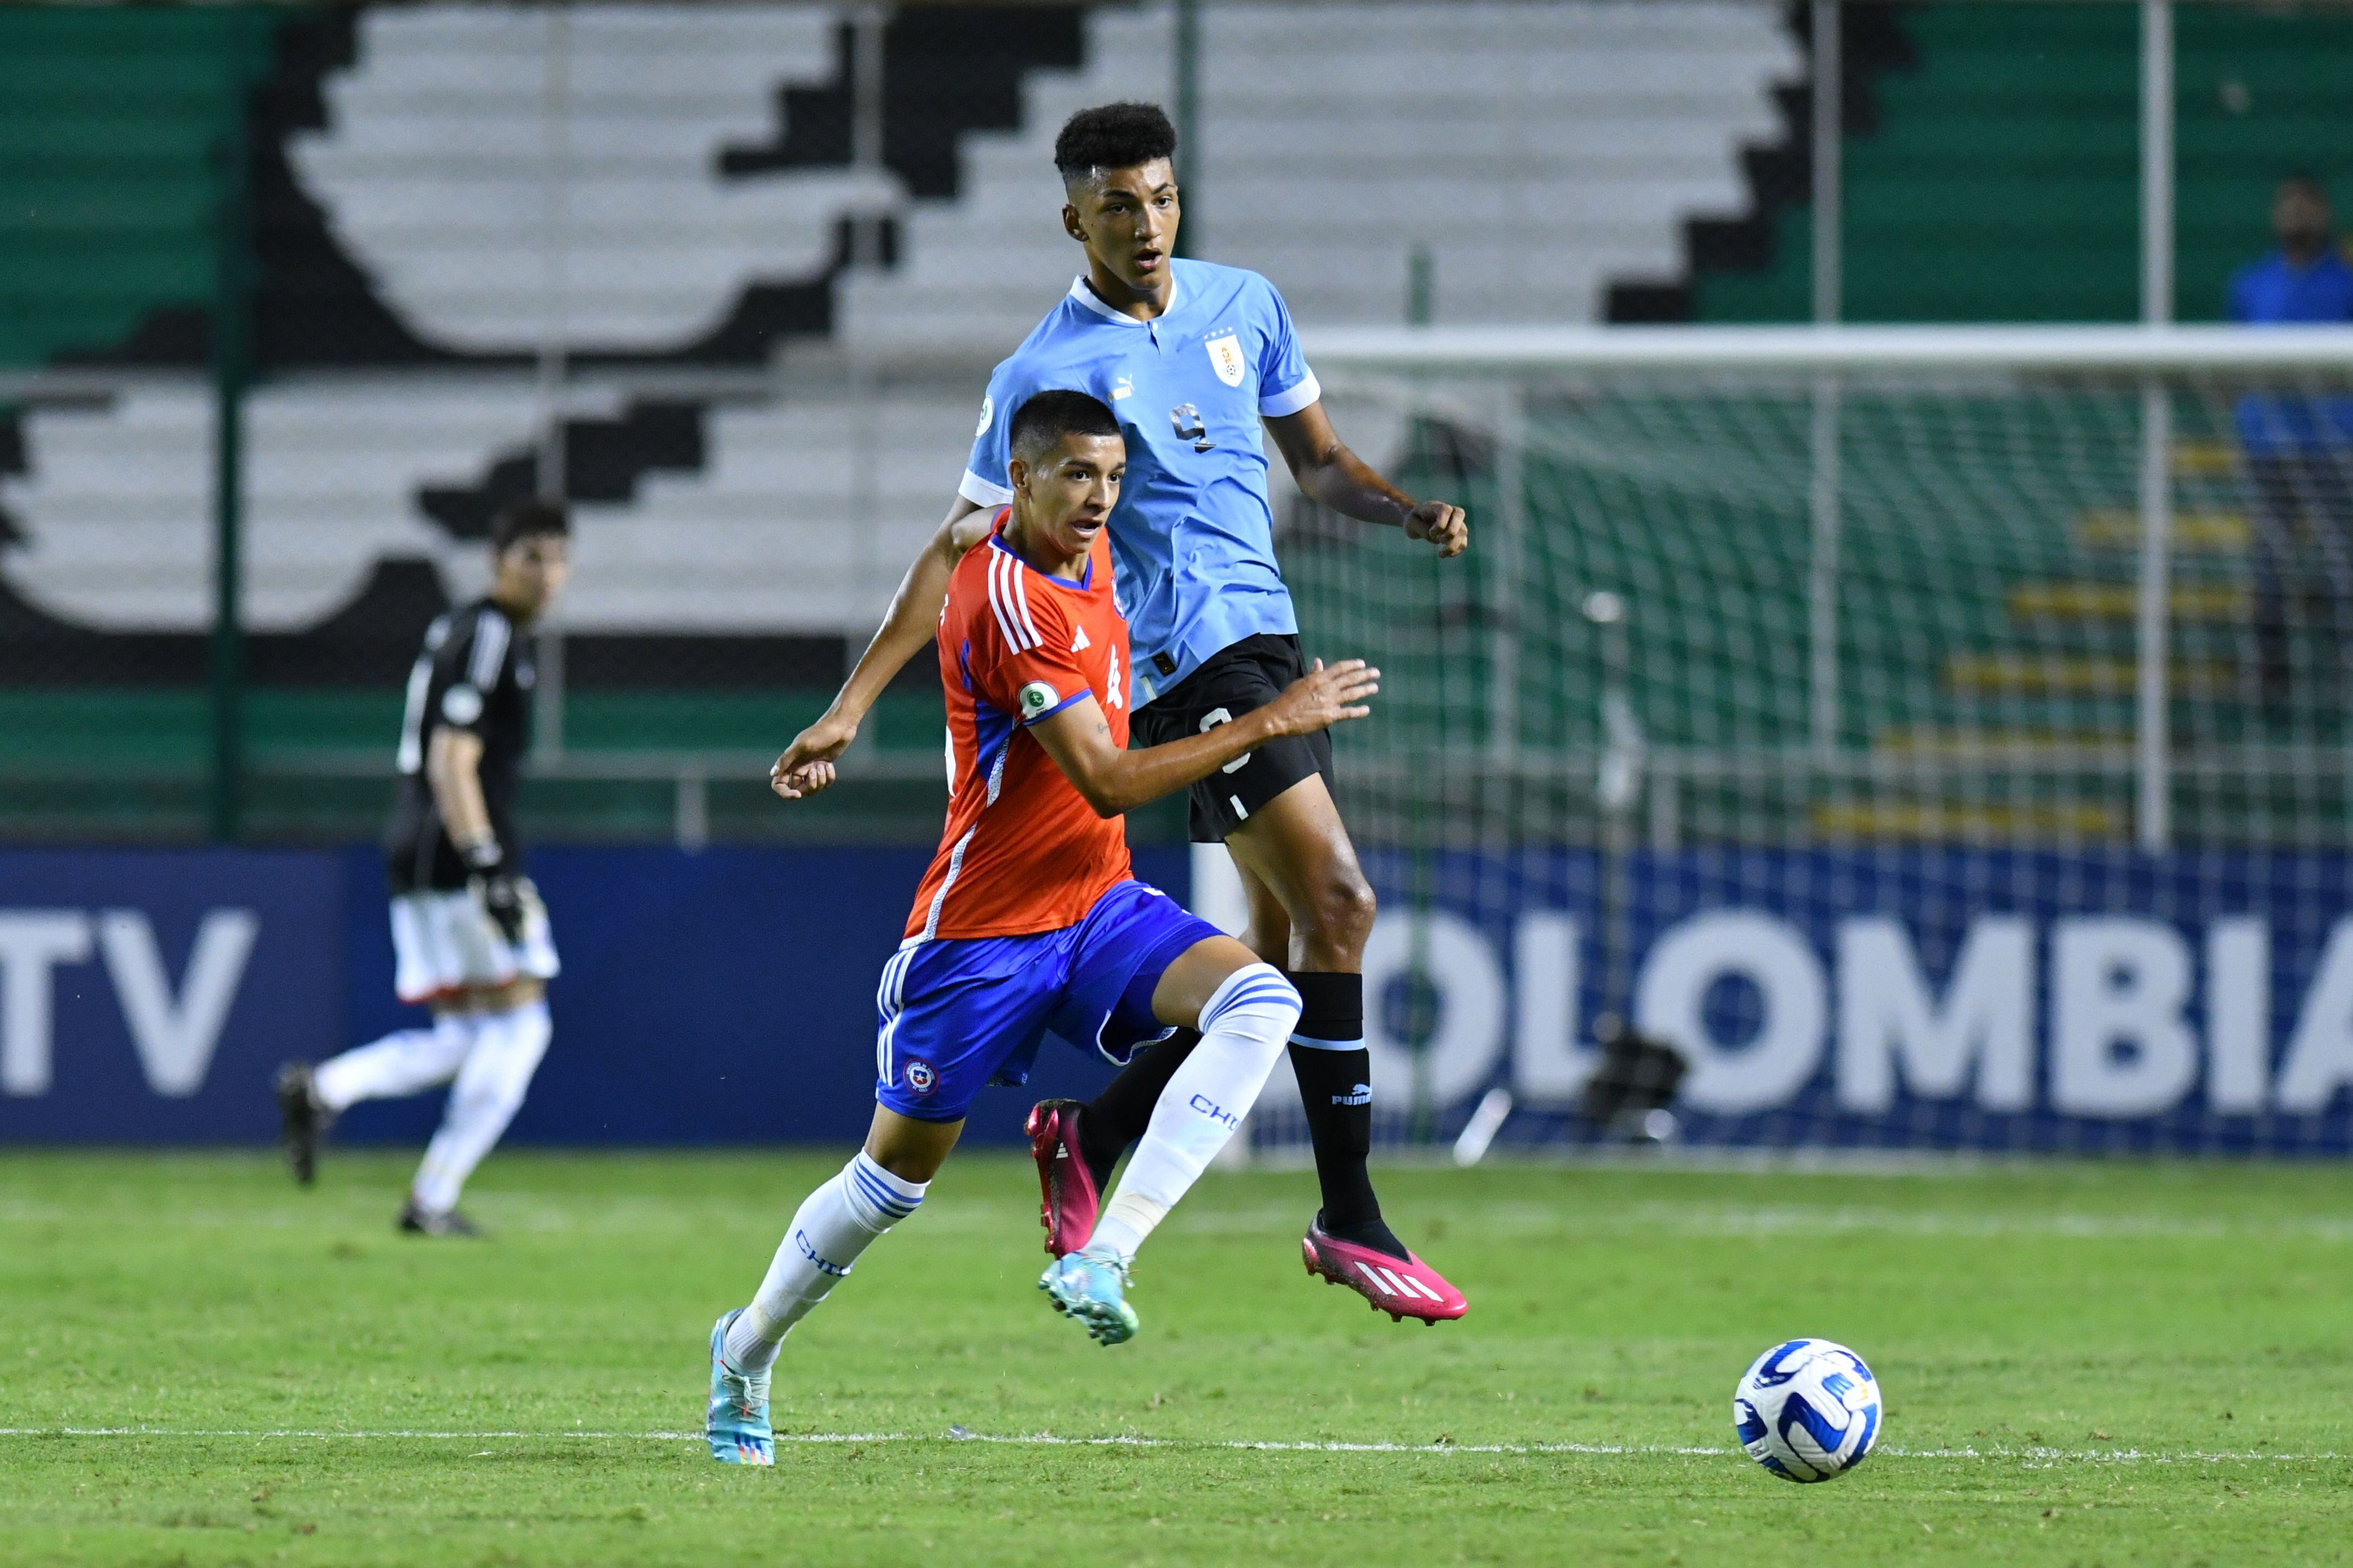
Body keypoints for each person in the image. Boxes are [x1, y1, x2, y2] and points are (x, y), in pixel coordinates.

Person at [769, 101, 1471, 1322]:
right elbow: (954, 546)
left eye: (1156, 198)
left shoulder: (1240, 304)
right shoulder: (1037, 375)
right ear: (1072, 220)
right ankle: (1348, 1218)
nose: (1142, 226)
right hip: (1177, 671)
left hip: (1265, 637)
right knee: (1341, 904)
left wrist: (1404, 509)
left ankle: (1088, 1130)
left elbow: (1315, 462)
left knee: (1262, 964)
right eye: (1114, 207)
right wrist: (849, 706)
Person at [707, 392, 1380, 1464]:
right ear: (1019, 478)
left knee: (1261, 997)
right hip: (981, 937)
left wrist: (848, 705)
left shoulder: (1070, 547)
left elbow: (938, 545)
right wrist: (1274, 720)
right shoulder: (1016, 604)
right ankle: (745, 1350)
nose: (1098, 498)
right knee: (889, 1188)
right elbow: (1106, 779)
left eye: (1109, 479)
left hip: (1094, 904)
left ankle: (1103, 1257)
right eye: (1075, 476)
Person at [273, 499, 570, 1237]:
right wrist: (486, 862)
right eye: (532, 555)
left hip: (418, 844)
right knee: (522, 1023)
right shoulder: (492, 635)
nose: (549, 573)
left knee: (470, 1033)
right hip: (457, 848)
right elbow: (451, 756)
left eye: (559, 556)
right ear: (497, 559)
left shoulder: (465, 626)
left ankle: (325, 1088)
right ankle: (431, 1197)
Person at [2226, 174, 2353, 710]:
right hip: (2268, 448)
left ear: (2322, 213)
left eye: (2306, 205)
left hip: (2333, 445)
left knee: (2341, 561)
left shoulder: (2345, 283)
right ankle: (2267, 672)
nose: (2296, 214)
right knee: (2269, 563)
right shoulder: (2251, 284)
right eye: (2287, 204)